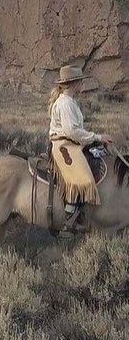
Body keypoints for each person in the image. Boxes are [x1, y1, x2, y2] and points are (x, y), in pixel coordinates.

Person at [48, 64, 113, 232]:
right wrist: (97, 137)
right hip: (64, 145)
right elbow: (71, 131)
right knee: (81, 179)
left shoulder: (69, 101)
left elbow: (75, 131)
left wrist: (93, 139)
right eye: (80, 81)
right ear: (74, 83)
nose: (82, 84)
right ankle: (68, 224)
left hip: (71, 143)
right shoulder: (65, 103)